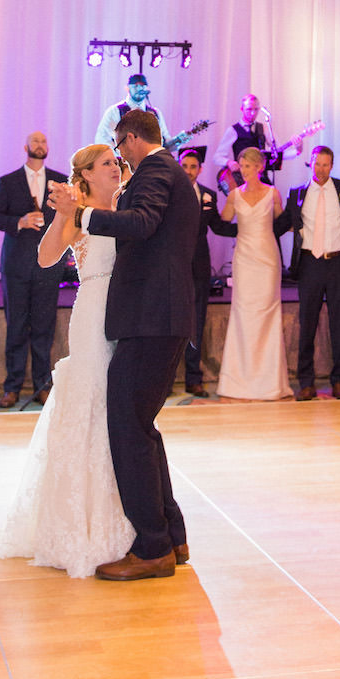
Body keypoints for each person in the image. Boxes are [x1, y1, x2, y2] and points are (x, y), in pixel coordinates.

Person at [47, 107, 199, 581]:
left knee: (129, 428)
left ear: (132, 138)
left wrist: (85, 213)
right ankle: (170, 536)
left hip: (151, 318)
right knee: (142, 427)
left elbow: (144, 223)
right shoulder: (166, 171)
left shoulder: (155, 170)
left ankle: (152, 547)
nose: (118, 159)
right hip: (148, 316)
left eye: (119, 149)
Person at [0, 143, 136, 576]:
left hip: (129, 312)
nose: (116, 167)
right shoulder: (77, 214)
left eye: (116, 162)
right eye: (107, 164)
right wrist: (63, 214)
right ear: (87, 175)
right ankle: (83, 520)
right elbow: (44, 257)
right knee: (92, 403)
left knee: (123, 409)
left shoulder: (131, 203)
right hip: (93, 313)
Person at [0, 131, 69, 408]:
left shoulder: (61, 181)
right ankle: (12, 387)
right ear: (25, 147)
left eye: (44, 141)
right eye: (35, 141)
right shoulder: (8, 181)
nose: (40, 145)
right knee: (17, 327)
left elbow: (70, 216)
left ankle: (43, 386)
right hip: (17, 265)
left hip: (49, 265)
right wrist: (19, 221)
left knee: (45, 327)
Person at [277, 145, 340, 401]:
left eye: (326, 164)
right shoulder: (297, 193)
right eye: (317, 163)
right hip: (310, 263)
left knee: (339, 324)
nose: (321, 169)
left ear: (331, 166)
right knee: (307, 323)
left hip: (337, 263)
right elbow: (282, 223)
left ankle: (339, 381)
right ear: (310, 163)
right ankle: (306, 382)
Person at [217, 148, 289, 401]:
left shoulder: (273, 194)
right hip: (244, 260)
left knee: (267, 313)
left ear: (259, 167)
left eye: (247, 166)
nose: (243, 170)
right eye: (241, 166)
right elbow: (224, 220)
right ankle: (240, 380)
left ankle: (269, 381)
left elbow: (282, 223)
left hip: (267, 259)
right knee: (244, 313)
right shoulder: (235, 195)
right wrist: (224, 193)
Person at [179, 148, 236, 397]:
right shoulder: (167, 193)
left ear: (200, 169)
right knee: (169, 321)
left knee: (196, 321)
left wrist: (250, 225)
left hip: (200, 266)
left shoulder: (209, 196)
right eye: (185, 166)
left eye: (193, 167)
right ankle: (166, 379)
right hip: (172, 265)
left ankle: (194, 377)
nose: (189, 171)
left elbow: (219, 227)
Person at [95, 73, 169, 152]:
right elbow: (103, 139)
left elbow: (165, 138)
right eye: (136, 86)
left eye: (143, 86)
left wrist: (176, 142)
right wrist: (121, 155)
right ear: (127, 88)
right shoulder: (115, 111)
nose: (139, 89)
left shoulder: (155, 113)